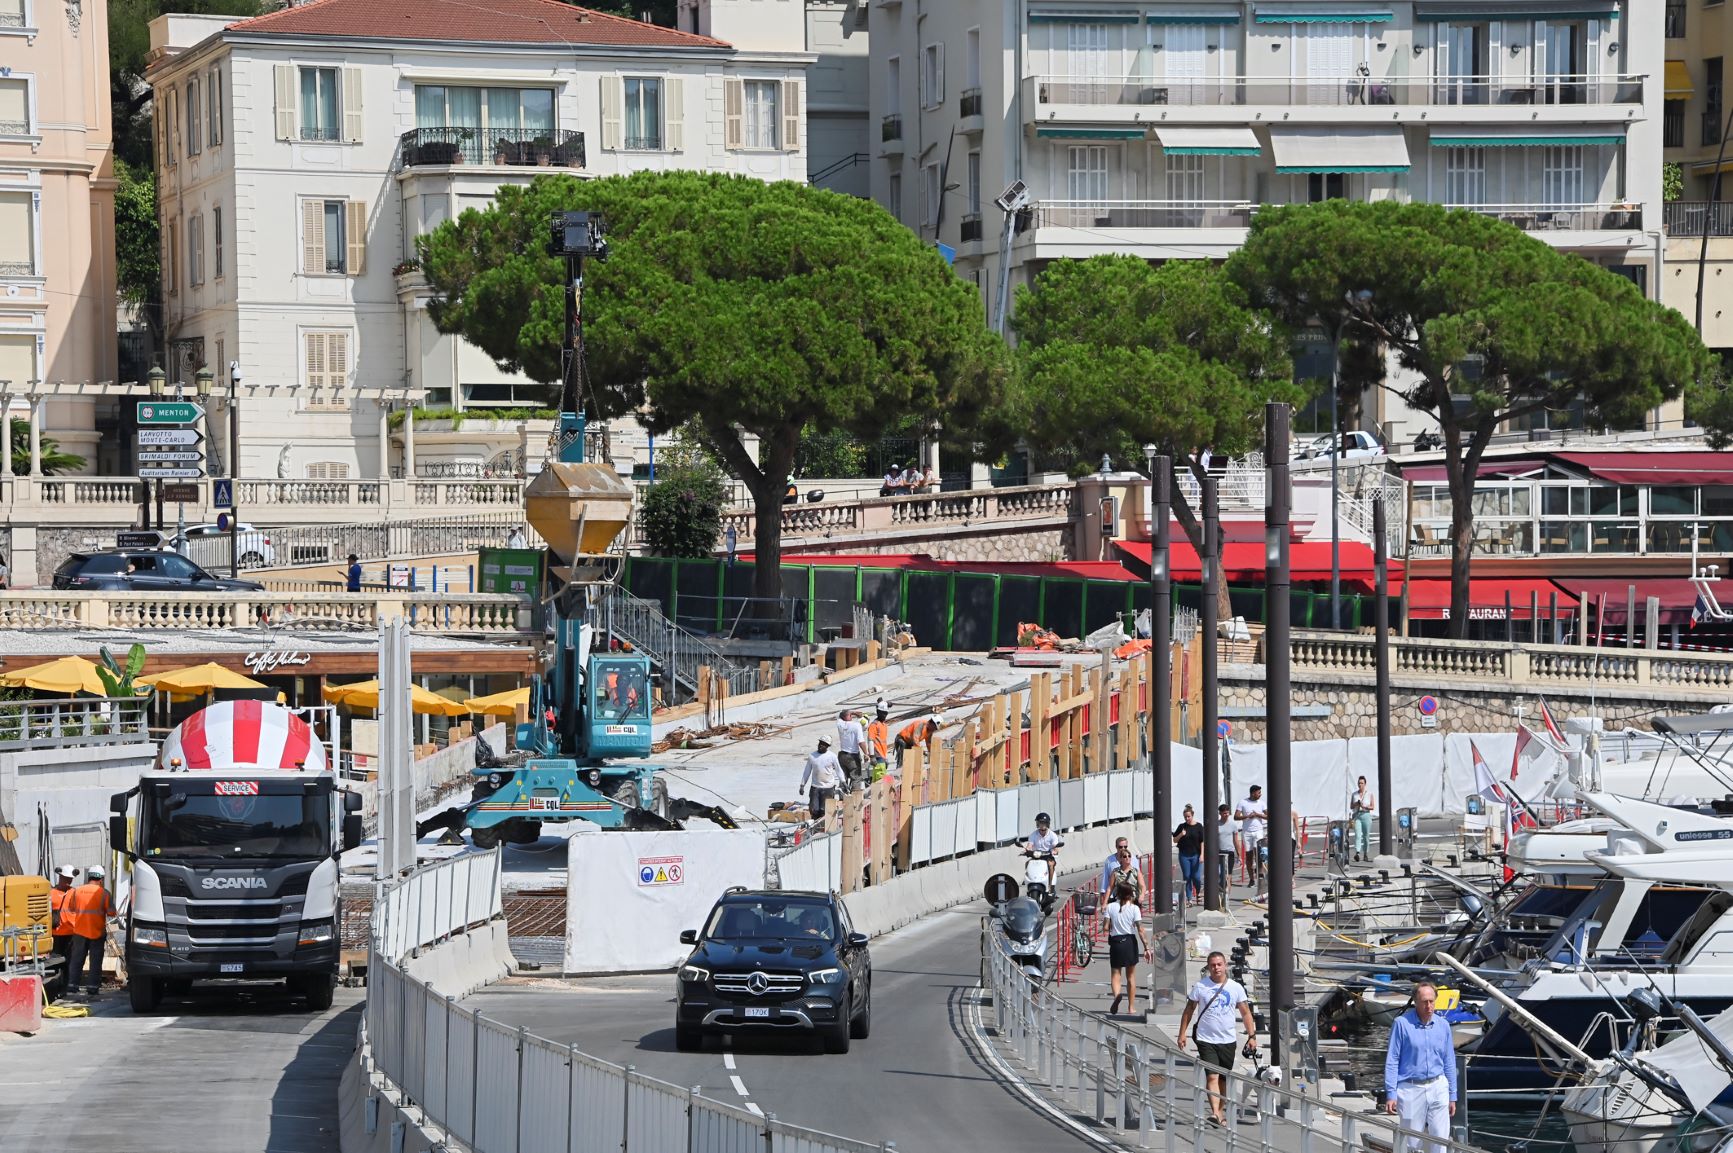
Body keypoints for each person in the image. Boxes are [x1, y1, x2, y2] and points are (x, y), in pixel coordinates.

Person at [1178, 951, 1259, 1127]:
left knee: (1223, 1079)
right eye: (1213, 965)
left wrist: (1252, 1036)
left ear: (1225, 966)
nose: (1216, 968)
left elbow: (1246, 1013)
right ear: (1208, 967)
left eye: (1219, 964)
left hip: (1228, 1040)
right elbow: (1189, 1010)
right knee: (1212, 1076)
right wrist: (1182, 1033)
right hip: (1206, 1039)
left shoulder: (1235, 987)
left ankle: (1220, 1112)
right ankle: (1215, 1112)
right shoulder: (1201, 986)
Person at [1385, 982, 1457, 1152]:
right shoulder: (1401, 1024)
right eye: (1424, 1001)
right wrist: (1391, 1093)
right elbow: (1392, 1059)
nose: (1429, 1005)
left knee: (1440, 1138)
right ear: (1415, 1001)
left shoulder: (1443, 1025)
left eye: (1432, 1001)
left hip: (1438, 1085)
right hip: (1410, 1087)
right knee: (1411, 1141)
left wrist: (1452, 1094)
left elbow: (1449, 1060)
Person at [61, 864, 116, 996]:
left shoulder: (77, 891)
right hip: (96, 932)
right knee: (95, 961)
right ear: (101, 879)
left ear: (88, 877)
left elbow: (72, 908)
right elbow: (112, 913)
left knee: (77, 959)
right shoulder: (104, 893)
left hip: (79, 932)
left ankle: (72, 985)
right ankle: (92, 987)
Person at [1104, 883, 1149, 1015]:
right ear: (1130, 894)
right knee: (1130, 976)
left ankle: (1117, 995)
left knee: (1115, 974)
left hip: (1116, 942)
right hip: (1129, 942)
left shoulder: (1110, 907)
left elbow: (1105, 928)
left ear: (1117, 893)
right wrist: (1146, 947)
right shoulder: (1134, 909)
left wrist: (1112, 925)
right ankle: (1131, 1007)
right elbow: (1140, 929)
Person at [798, 737, 844, 824]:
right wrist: (802, 785)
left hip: (828, 788)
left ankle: (824, 828)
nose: (820, 746)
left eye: (823, 744)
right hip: (815, 788)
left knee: (825, 810)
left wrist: (843, 781)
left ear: (827, 746)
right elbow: (807, 771)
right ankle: (815, 827)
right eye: (820, 743)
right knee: (814, 810)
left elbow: (838, 770)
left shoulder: (832, 756)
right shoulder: (812, 756)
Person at [1236, 784, 1268, 890]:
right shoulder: (1243, 802)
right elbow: (1236, 816)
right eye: (1258, 792)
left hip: (1258, 831)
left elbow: (1269, 816)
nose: (1260, 794)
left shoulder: (1262, 803)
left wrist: (1258, 815)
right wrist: (1247, 816)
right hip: (1247, 832)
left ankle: (1259, 875)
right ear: (1253, 793)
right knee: (1249, 856)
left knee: (1258, 854)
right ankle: (1251, 879)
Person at [1174, 805, 1205, 906]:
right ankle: (1189, 898)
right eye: (1185, 817)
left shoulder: (1199, 826)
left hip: (1196, 855)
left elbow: (1202, 841)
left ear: (1192, 815)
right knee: (1187, 876)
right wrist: (1181, 835)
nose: (1187, 819)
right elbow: (1174, 840)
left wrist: (1202, 855)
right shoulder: (1181, 826)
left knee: (1196, 876)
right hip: (1184, 855)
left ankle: (1199, 892)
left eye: (1188, 816)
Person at [835, 709, 868, 792]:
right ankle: (855, 799)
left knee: (843, 778)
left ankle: (842, 798)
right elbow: (861, 742)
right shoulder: (856, 725)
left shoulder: (840, 724)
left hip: (842, 756)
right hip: (853, 757)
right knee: (856, 778)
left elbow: (840, 716)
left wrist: (852, 713)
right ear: (849, 716)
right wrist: (866, 753)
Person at [1102, 839, 1142, 906]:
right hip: (1118, 900)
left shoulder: (1134, 860)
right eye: (1120, 847)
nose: (1123, 848)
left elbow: (1140, 882)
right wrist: (1103, 896)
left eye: (1125, 847)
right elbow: (1107, 881)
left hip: (1133, 900)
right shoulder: (1110, 861)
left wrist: (1141, 895)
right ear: (1116, 847)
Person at [49, 866, 76, 961]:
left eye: (70, 879)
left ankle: (68, 976)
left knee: (70, 961)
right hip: (56, 934)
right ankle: (58, 975)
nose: (69, 881)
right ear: (60, 877)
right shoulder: (51, 893)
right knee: (56, 961)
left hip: (71, 934)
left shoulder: (75, 892)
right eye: (66, 878)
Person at [1026, 812, 1060, 887]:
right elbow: (1030, 845)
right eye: (1040, 823)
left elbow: (1055, 847)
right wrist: (1027, 850)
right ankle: (1029, 880)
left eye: (1044, 823)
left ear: (1047, 824)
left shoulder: (1052, 835)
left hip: (1048, 856)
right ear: (1037, 824)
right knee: (1027, 863)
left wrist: (1055, 851)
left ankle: (1050, 885)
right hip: (1036, 855)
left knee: (1051, 865)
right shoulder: (1033, 834)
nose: (1042, 825)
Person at [1214, 804, 1238, 901]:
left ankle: (1227, 896)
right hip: (1219, 852)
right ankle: (1220, 893)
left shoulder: (1233, 825)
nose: (1226, 815)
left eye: (1227, 813)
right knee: (1220, 874)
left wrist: (1239, 854)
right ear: (1220, 813)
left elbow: (1236, 840)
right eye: (1224, 813)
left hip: (1229, 852)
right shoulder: (1216, 824)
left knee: (1228, 875)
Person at [1351, 775, 1376, 861]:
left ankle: (1365, 853)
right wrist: (1356, 804)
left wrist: (1364, 806)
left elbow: (1372, 807)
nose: (1360, 785)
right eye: (1359, 783)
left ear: (1365, 784)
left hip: (1366, 815)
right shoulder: (1354, 794)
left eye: (1362, 783)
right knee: (1358, 834)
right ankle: (1357, 852)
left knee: (1366, 835)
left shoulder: (1369, 794)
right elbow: (1351, 806)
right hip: (1357, 815)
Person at [865, 708, 891, 783]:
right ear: (878, 712)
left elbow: (883, 743)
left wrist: (885, 758)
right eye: (883, 713)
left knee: (878, 781)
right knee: (881, 782)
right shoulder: (874, 725)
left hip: (882, 757)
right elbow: (870, 740)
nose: (884, 715)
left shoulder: (884, 725)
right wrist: (872, 756)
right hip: (877, 757)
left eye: (886, 713)